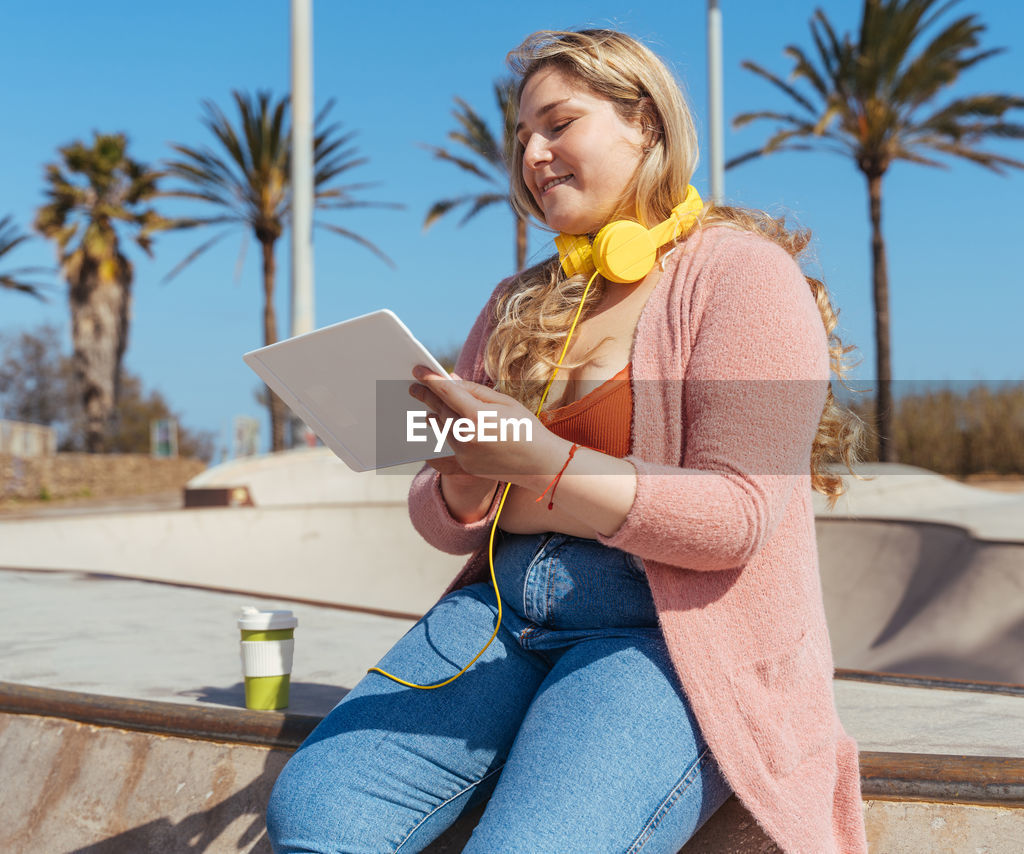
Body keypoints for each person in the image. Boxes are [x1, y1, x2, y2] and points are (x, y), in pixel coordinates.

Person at [268, 28, 868, 854]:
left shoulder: (741, 277)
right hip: (502, 606)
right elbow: (441, 519)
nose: (533, 154)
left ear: (646, 125)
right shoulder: (516, 298)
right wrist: (462, 480)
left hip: (663, 628)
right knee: (318, 813)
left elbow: (739, 518)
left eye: (558, 124)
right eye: (521, 138)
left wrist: (540, 460)